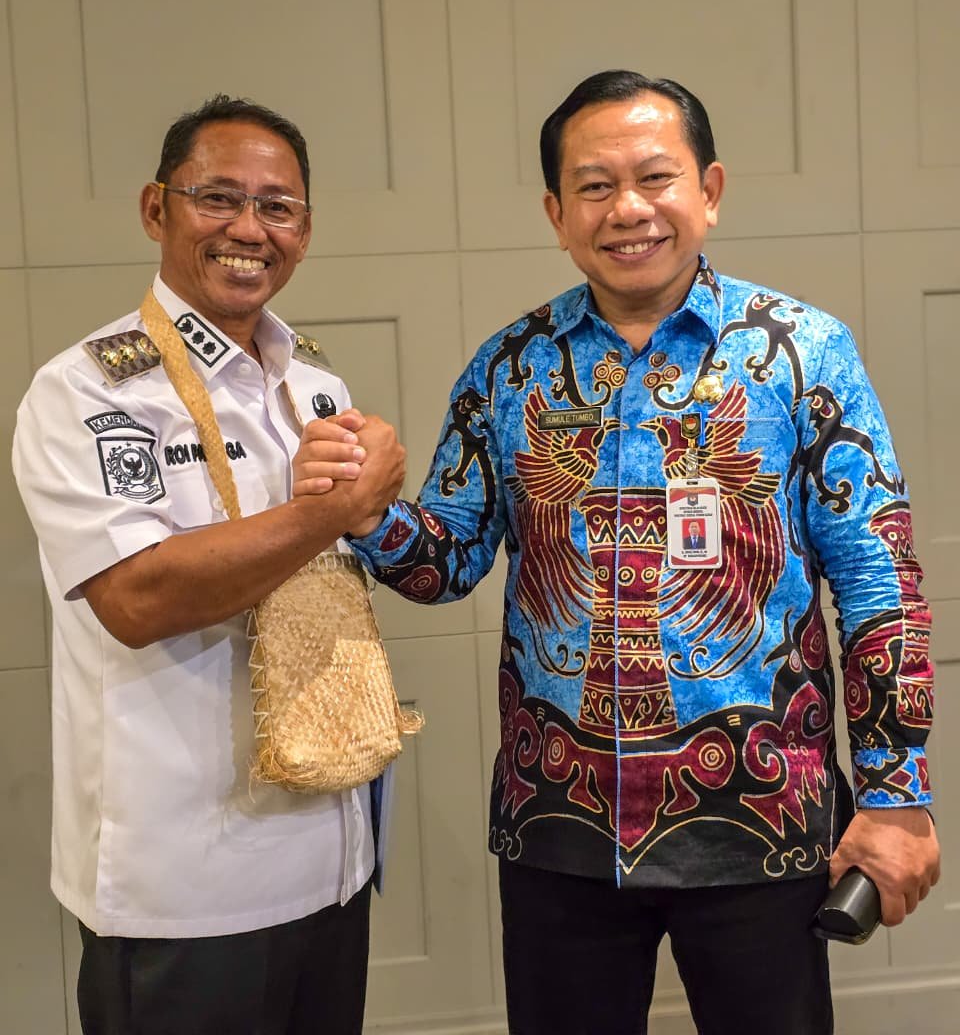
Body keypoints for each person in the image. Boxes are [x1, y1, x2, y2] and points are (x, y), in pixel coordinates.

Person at [294, 70, 940, 1034]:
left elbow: (878, 576)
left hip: (762, 817)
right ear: (557, 214)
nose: (627, 209)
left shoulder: (804, 353)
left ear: (709, 191)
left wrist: (895, 794)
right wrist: (363, 512)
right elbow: (447, 561)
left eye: (654, 178)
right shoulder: (509, 369)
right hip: (559, 827)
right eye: (594, 186)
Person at [12, 95, 405, 1035]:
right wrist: (329, 511)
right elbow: (137, 598)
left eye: (279, 207)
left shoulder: (315, 384)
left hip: (332, 857)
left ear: (305, 229)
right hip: (183, 884)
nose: (249, 229)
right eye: (218, 198)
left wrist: (376, 507)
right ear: (158, 209)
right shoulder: (86, 391)